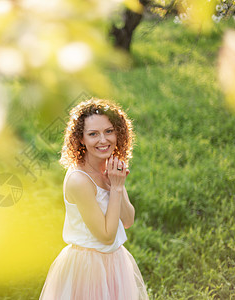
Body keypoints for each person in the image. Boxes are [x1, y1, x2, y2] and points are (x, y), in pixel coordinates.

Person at [40, 98, 148, 299]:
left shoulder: (109, 166)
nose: (103, 140)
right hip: (87, 267)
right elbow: (106, 236)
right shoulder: (79, 180)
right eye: (93, 134)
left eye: (109, 131)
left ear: (118, 132)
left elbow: (128, 220)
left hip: (115, 262)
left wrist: (117, 184)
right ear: (81, 139)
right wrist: (115, 188)